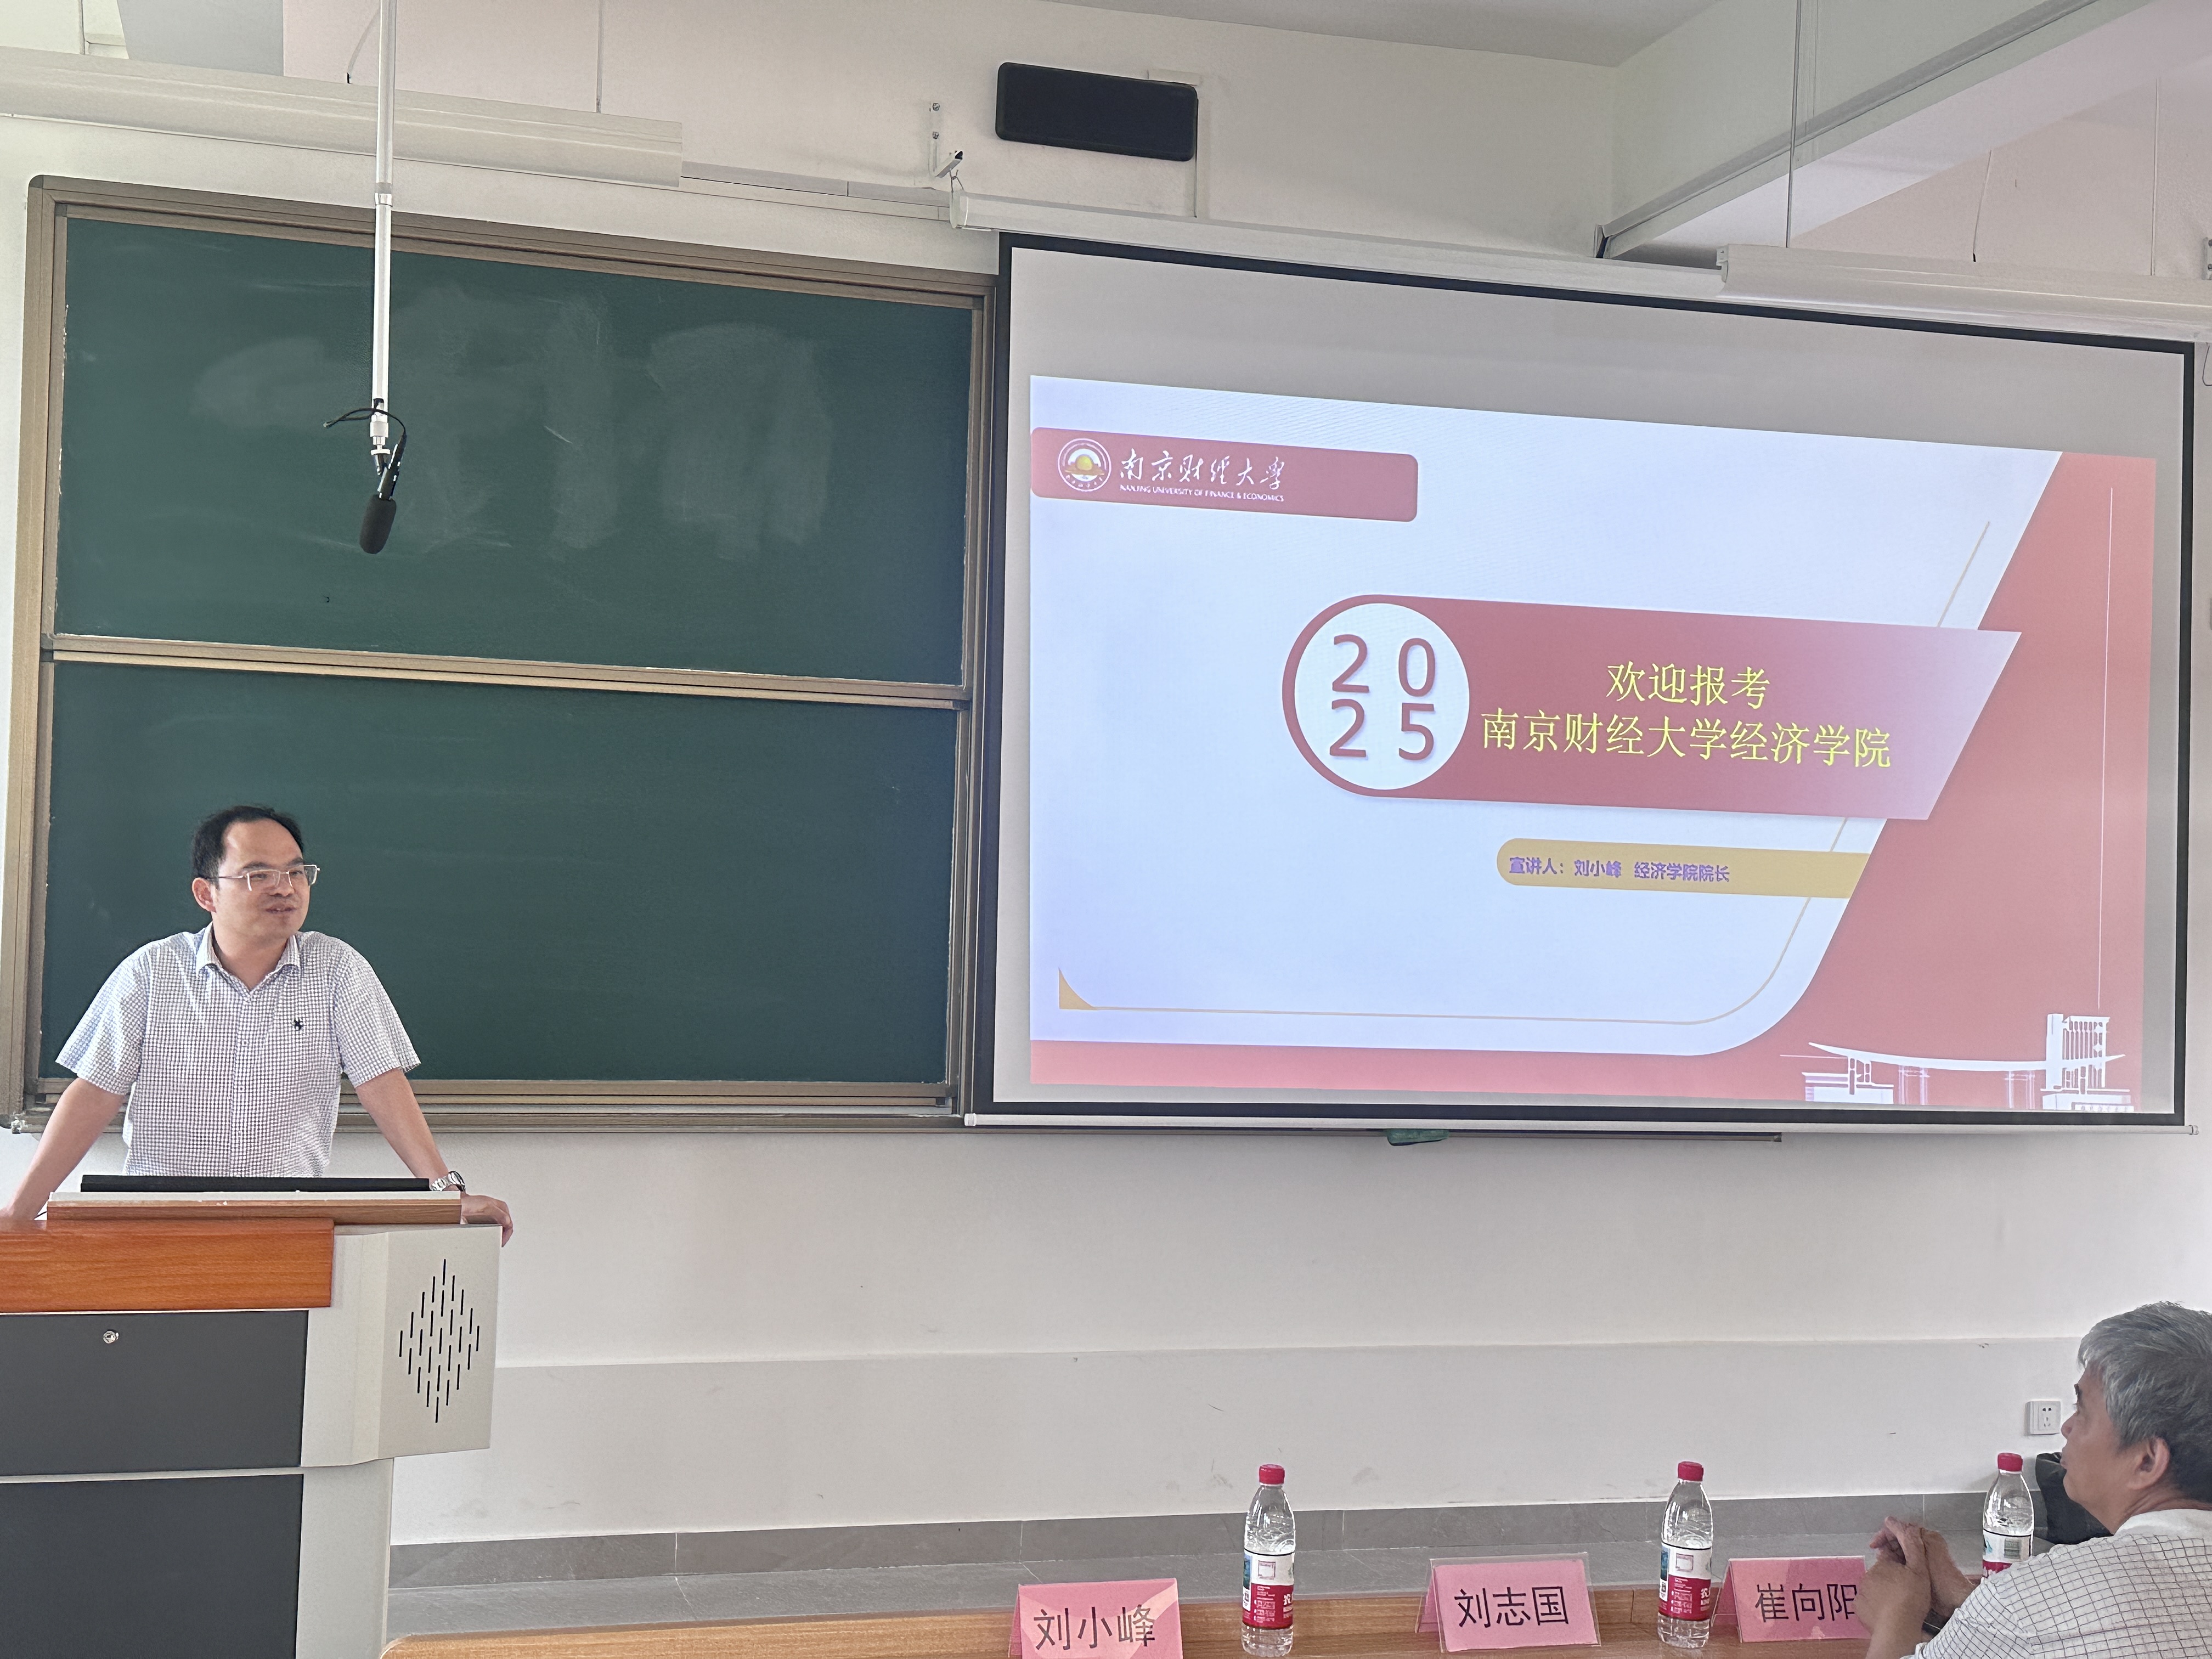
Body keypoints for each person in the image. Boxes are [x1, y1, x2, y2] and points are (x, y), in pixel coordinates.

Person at [0, 804, 512, 1240]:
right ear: (207, 894)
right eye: (258, 875)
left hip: (290, 1220)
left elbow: (382, 1083)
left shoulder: (337, 969)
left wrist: (447, 1194)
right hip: (161, 1219)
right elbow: (94, 1094)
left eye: (296, 872)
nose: (284, 889)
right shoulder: (153, 971)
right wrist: (21, 1210)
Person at [1858, 1302, 2212, 1657]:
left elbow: (2036, 1624)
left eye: (2082, 1410)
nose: (2067, 1427)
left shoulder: (2032, 1600)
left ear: (2146, 1461)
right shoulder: (2032, 1606)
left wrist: (1894, 1613)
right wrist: (1968, 1602)